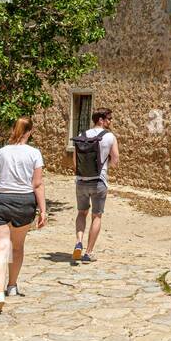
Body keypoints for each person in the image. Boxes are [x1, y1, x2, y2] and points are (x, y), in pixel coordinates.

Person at [0, 117, 47, 313]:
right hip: (24, 202)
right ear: (29, 132)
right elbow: (37, 184)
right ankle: (12, 285)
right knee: (17, 247)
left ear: (13, 130)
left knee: (0, 248)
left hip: (1, 201)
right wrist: (43, 210)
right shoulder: (35, 154)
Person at [72, 108, 118, 264]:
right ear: (101, 119)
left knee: (81, 213)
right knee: (96, 216)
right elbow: (115, 160)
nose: (110, 121)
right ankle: (88, 252)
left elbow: (74, 162)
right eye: (109, 118)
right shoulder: (110, 137)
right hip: (99, 181)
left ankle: (79, 241)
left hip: (81, 182)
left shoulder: (80, 136)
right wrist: (106, 165)